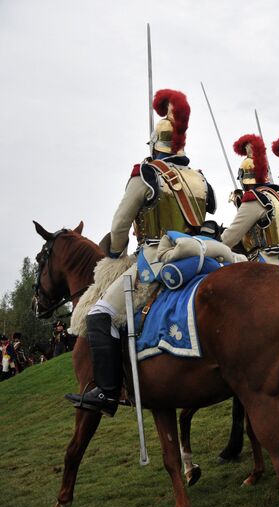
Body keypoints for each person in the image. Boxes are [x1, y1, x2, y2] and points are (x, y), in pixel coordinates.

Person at [65, 89, 217, 416]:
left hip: (155, 261)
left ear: (154, 143)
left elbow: (120, 226)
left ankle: (106, 393)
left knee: (99, 313)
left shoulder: (146, 174)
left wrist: (117, 252)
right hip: (199, 256)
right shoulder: (200, 178)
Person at [221, 134, 279, 266]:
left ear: (243, 178)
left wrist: (209, 245)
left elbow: (229, 239)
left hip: (263, 263)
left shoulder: (255, 199)